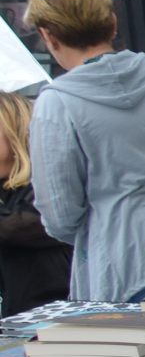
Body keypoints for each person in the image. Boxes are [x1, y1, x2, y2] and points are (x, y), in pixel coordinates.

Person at [21, 0, 145, 302]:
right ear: (113, 22)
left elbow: (60, 215)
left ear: (48, 36)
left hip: (127, 267)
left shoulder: (57, 103)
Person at [0, 91, 71, 315]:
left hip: (56, 318)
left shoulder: (45, 184)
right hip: (16, 319)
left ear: (16, 130)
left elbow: (18, 228)